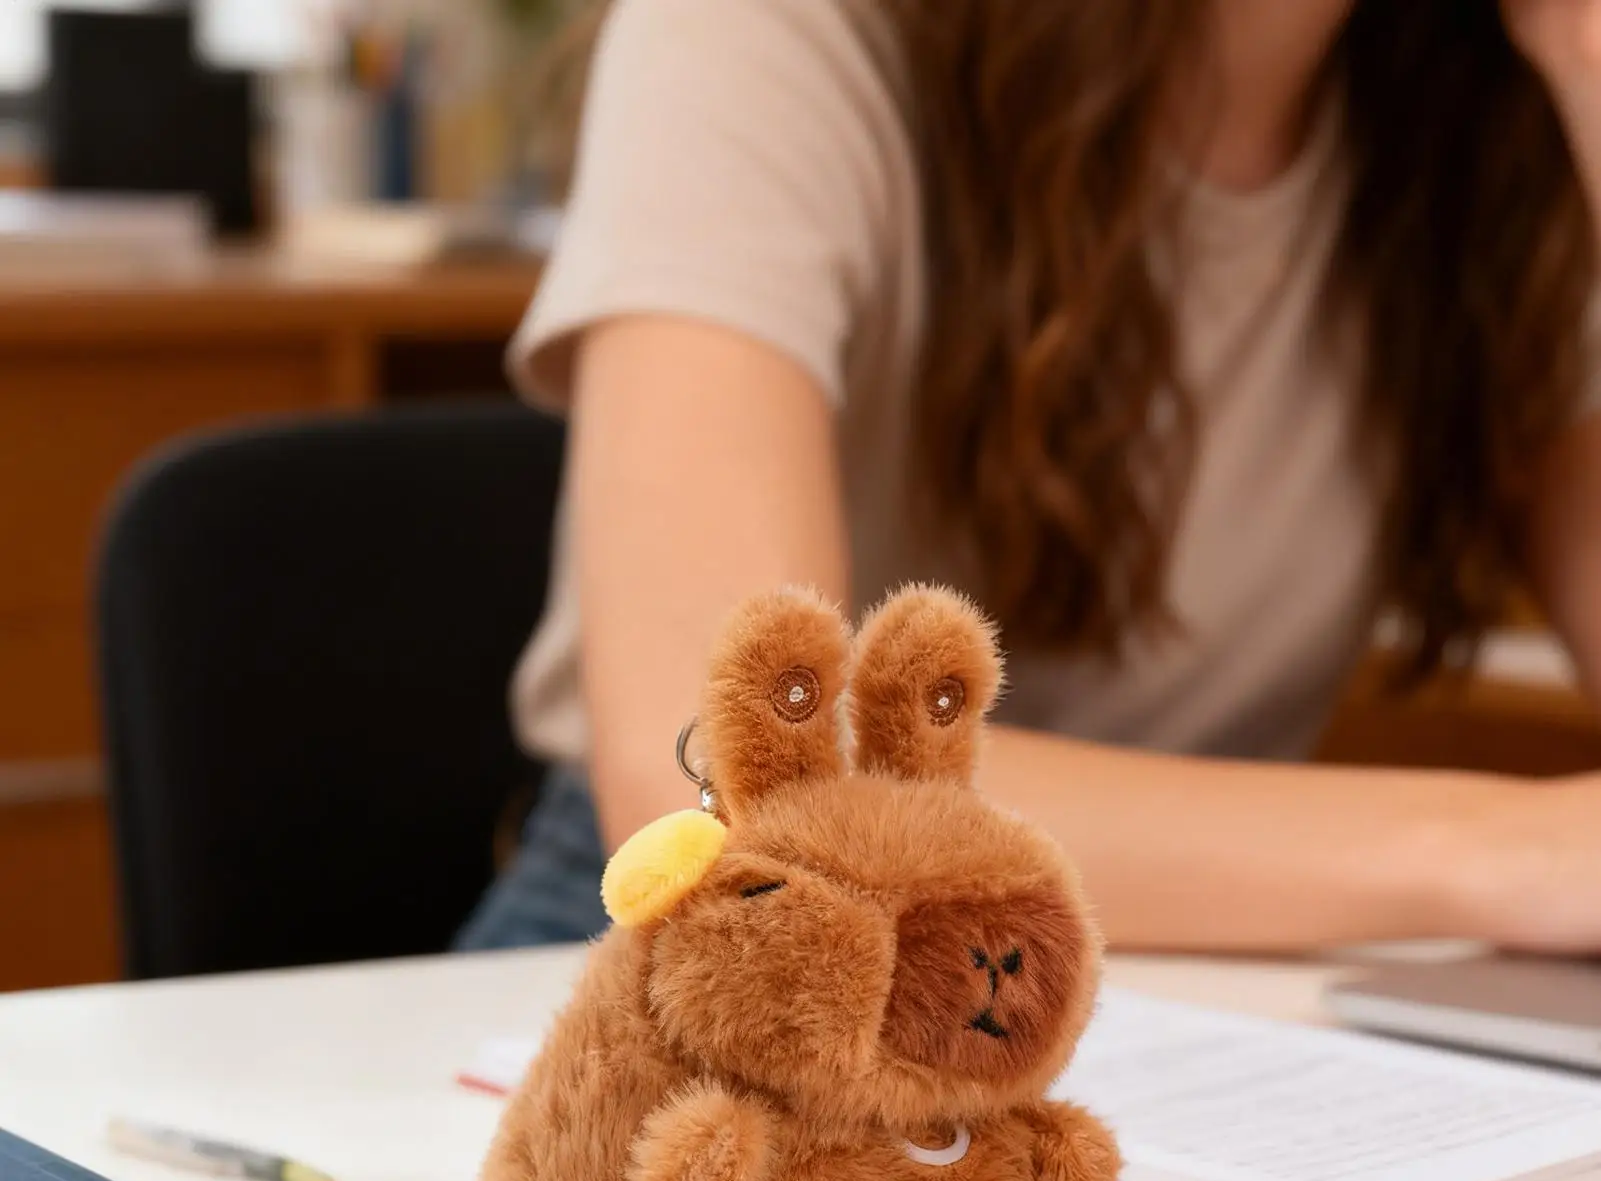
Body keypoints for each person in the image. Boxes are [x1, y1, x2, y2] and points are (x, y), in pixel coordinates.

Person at [456, 0, 1601, 955]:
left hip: (1193, 983)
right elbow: (734, 775)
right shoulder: (776, 30)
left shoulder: (1484, 123)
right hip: (726, 959)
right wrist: (1489, 849)